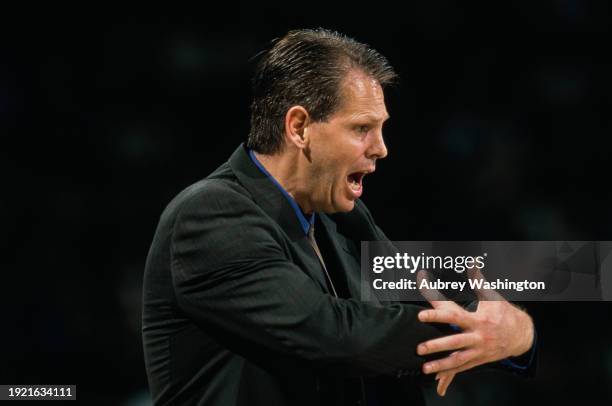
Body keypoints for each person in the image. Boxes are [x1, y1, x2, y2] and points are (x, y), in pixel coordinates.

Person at [142, 28, 536, 406]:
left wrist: (518, 331)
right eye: (362, 128)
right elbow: (335, 335)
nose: (381, 149)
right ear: (299, 127)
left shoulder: (343, 217)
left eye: (381, 129)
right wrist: (475, 330)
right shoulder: (210, 215)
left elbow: (426, 300)